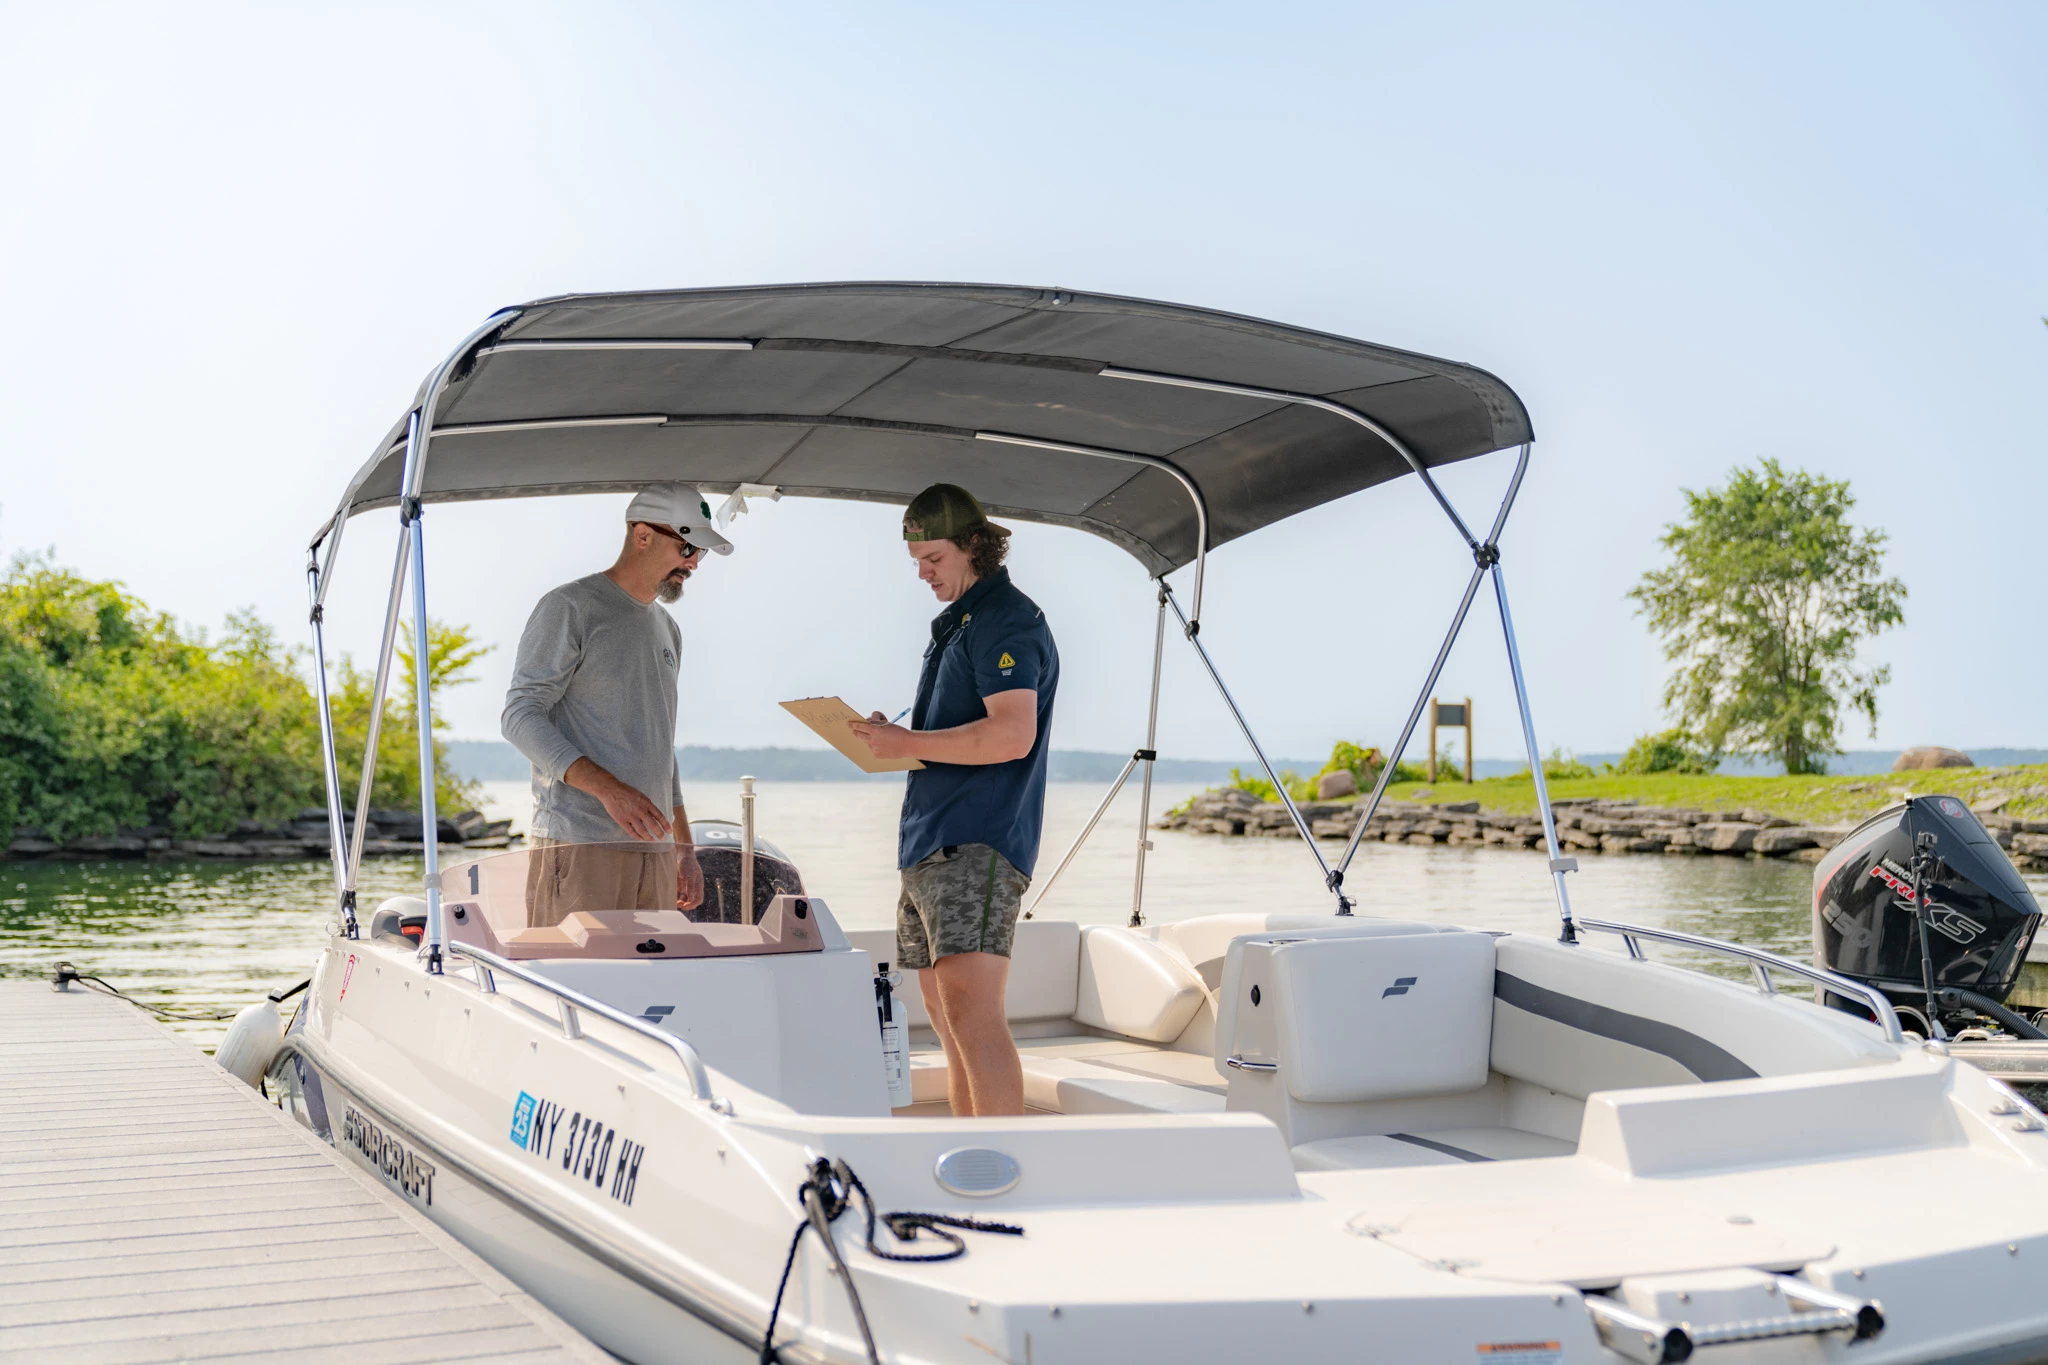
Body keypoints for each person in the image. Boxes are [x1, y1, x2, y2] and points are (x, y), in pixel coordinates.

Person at [850, 484, 1059, 1116]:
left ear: (975, 545)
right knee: (945, 1016)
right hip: (929, 842)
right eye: (916, 560)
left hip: (976, 841)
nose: (923, 572)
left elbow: (1013, 734)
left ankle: (1000, 1159)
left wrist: (907, 741)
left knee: (971, 1013)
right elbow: (957, 730)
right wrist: (890, 739)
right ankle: (969, 1149)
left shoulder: (1005, 619)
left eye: (933, 558)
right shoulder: (959, 624)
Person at [502, 484, 731, 926]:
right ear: (642, 535)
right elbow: (519, 715)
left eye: (700, 551)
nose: (694, 563)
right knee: (575, 972)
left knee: (653, 973)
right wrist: (609, 790)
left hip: (657, 854)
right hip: (581, 846)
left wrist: (684, 849)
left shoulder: (669, 629)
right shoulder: (570, 607)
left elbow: (661, 748)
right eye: (687, 547)